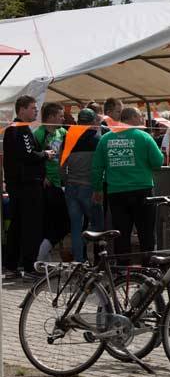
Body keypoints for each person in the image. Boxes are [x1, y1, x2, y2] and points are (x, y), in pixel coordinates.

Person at [91, 107, 164, 263]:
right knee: (146, 232)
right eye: (139, 116)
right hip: (142, 190)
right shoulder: (144, 137)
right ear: (131, 118)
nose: (142, 119)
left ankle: (123, 270)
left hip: (116, 192)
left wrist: (97, 189)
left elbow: (97, 167)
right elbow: (158, 162)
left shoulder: (105, 139)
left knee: (121, 233)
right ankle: (148, 269)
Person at [2, 96, 55, 278]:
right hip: (27, 187)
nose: (35, 111)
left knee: (17, 226)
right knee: (30, 227)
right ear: (22, 110)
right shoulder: (20, 130)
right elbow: (27, 154)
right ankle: (29, 267)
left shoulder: (18, 130)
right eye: (32, 108)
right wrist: (45, 154)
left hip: (21, 186)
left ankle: (11, 266)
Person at [61, 108, 104, 262]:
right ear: (93, 122)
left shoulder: (68, 139)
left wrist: (66, 181)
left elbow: (61, 165)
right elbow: (101, 166)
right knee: (99, 224)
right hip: (89, 188)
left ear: (78, 122)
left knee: (75, 226)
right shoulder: (98, 140)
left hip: (71, 187)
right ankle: (80, 243)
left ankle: (78, 260)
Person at [32, 102, 69, 262]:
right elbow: (33, 158)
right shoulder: (38, 134)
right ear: (51, 117)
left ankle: (44, 251)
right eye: (60, 116)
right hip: (47, 183)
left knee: (63, 221)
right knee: (52, 221)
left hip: (62, 181)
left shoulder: (63, 132)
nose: (63, 118)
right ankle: (43, 254)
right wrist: (43, 176)